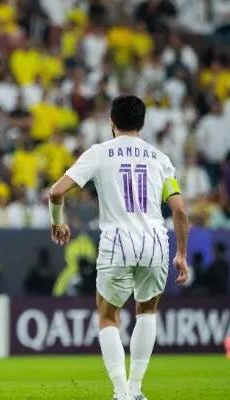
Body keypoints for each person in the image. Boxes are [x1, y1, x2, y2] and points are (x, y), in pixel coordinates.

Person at [47, 95, 189, 400]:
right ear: (143, 123)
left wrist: (57, 222)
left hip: (117, 241)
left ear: (112, 123)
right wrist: (180, 254)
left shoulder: (100, 153)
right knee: (147, 312)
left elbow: (56, 191)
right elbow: (179, 211)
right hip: (155, 241)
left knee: (108, 315)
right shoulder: (159, 158)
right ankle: (137, 389)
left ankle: (121, 391)